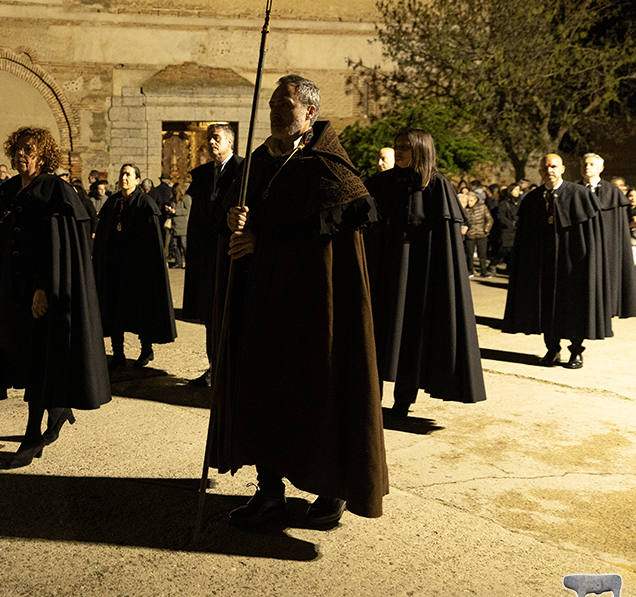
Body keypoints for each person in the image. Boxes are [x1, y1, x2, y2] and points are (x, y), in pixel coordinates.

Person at [214, 75, 388, 530]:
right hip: (264, 306)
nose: (274, 110)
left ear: (309, 112)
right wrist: (232, 217)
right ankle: (269, 492)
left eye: (284, 104)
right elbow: (237, 215)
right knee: (264, 394)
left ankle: (331, 491)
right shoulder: (260, 160)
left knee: (319, 393)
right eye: (271, 102)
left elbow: (331, 234)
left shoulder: (328, 164)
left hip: (317, 310)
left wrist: (263, 241)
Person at [0, 126, 111, 467]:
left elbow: (56, 245)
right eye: (19, 149)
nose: (22, 154)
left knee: (39, 361)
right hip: (13, 291)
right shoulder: (12, 189)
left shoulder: (54, 189)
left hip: (43, 291)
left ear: (43, 156)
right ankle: (57, 409)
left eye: (30, 149)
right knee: (20, 357)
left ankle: (32, 435)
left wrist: (44, 288)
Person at [364, 128, 486, 417]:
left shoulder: (437, 186)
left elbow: (446, 242)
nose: (401, 151)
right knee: (379, 332)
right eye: (397, 146)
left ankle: (402, 403)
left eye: (406, 146)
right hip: (384, 271)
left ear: (422, 149)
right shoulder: (382, 181)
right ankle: (370, 399)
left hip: (419, 277)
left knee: (411, 336)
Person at [503, 153, 610, 369]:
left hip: (573, 264)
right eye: (545, 168)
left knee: (573, 307)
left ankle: (576, 352)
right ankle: (552, 349)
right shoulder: (533, 199)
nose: (549, 170)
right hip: (544, 265)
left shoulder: (578, 194)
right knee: (546, 307)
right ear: (540, 172)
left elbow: (591, 236)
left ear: (562, 169)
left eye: (553, 166)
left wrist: (587, 262)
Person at [94, 163, 177, 369]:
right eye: (122, 174)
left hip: (139, 270)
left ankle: (146, 349)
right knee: (114, 311)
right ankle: (118, 354)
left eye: (129, 174)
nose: (124, 178)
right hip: (115, 268)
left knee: (141, 311)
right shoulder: (113, 202)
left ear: (137, 180)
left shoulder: (146, 203)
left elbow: (151, 242)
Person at [182, 123, 243, 387]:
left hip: (232, 253)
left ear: (230, 142)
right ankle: (213, 369)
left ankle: (234, 370)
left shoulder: (243, 171)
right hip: (207, 256)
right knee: (210, 315)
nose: (211, 142)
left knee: (233, 313)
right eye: (209, 139)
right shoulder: (204, 175)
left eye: (216, 138)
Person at [580, 153, 636, 319]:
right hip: (582, 247)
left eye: (591, 164)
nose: (587, 167)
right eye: (584, 164)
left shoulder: (613, 193)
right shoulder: (573, 190)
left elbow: (620, 225)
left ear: (601, 168)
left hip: (608, 246)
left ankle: (607, 310)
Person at [463, 191, 493, 277]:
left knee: (482, 254)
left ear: (476, 200)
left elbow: (489, 219)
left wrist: (486, 230)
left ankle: (483, 271)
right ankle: (470, 270)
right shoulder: (465, 208)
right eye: (468, 201)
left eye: (471, 201)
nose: (469, 203)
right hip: (470, 234)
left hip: (481, 234)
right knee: (469, 253)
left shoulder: (482, 207)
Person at [493, 183, 522, 272]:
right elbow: (500, 216)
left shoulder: (521, 202)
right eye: (515, 190)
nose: (517, 192)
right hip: (507, 230)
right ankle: (493, 263)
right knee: (505, 248)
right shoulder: (504, 203)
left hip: (517, 229)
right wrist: (510, 224)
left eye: (519, 189)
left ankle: (510, 268)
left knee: (514, 251)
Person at [170, 182, 191, 269]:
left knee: (184, 245)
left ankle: (188, 263)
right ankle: (178, 263)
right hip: (175, 225)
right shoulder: (172, 199)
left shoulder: (186, 198)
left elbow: (188, 210)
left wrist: (176, 212)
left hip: (183, 226)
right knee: (176, 245)